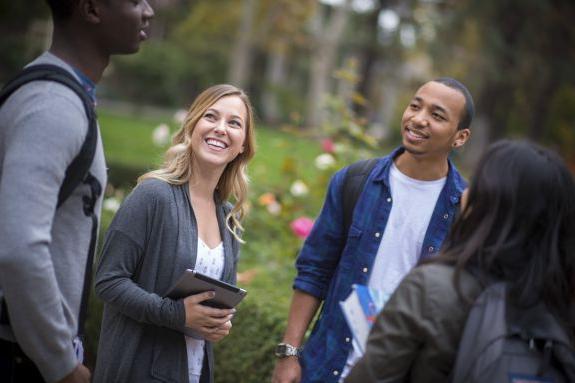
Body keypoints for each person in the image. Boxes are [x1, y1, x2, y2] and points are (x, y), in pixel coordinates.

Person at [272, 78, 474, 383]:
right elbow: (314, 270)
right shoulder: (355, 181)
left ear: (460, 138)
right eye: (415, 106)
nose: (419, 119)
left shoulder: (465, 210)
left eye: (437, 115)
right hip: (327, 368)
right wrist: (289, 354)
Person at [0, 1, 154, 382]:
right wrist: (62, 365)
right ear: (90, 9)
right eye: (135, 1)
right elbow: (19, 246)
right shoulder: (53, 105)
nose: (148, 11)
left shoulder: (65, 96)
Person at [345, 140, 575, 382]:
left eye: (476, 183)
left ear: (489, 205)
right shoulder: (561, 306)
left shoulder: (431, 289)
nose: (465, 192)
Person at [93, 84, 256, 383]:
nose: (221, 128)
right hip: (137, 371)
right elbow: (108, 281)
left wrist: (219, 322)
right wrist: (175, 314)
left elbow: (216, 301)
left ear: (243, 144)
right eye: (211, 117)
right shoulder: (153, 195)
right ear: (192, 126)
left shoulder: (229, 218)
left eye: (234, 123)